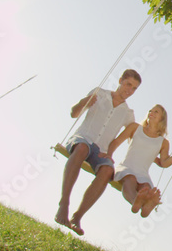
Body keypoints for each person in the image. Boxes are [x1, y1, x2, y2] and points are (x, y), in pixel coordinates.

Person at [56, 69, 141, 235]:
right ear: (120, 80)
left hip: (100, 152)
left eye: (134, 89)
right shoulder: (99, 94)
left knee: (108, 170)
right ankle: (64, 204)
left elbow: (131, 141)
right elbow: (74, 113)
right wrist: (84, 102)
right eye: (128, 84)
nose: (129, 91)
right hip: (81, 139)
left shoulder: (128, 113)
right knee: (82, 148)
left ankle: (77, 217)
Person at [108, 104, 172, 217]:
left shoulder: (163, 142)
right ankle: (136, 203)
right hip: (126, 167)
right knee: (130, 178)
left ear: (162, 119)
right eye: (150, 110)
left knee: (146, 188)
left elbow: (164, 163)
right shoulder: (135, 128)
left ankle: (146, 207)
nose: (151, 112)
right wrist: (108, 156)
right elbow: (116, 142)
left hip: (142, 174)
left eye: (156, 112)